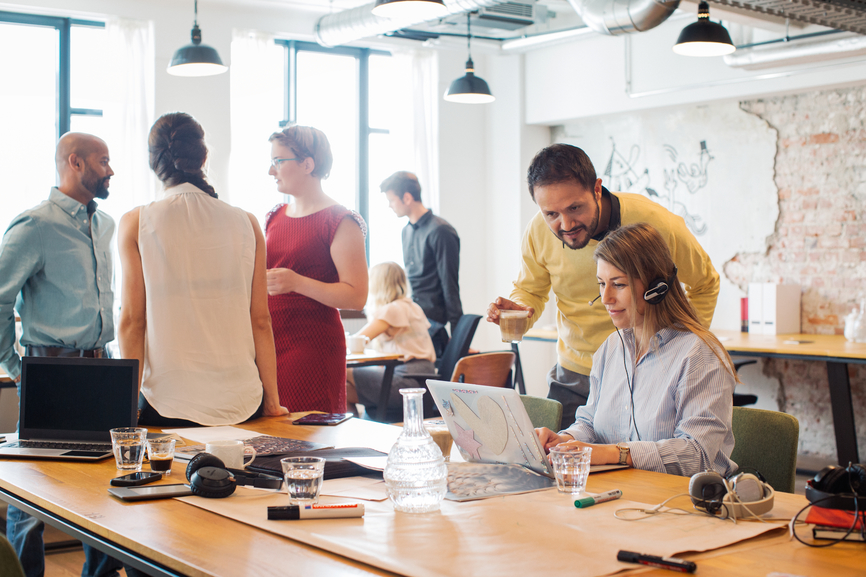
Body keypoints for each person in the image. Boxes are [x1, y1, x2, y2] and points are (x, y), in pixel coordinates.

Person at [487, 144, 719, 427]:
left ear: (597, 189)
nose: (566, 224)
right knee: (557, 461)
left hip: (646, 369)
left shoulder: (656, 223)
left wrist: (680, 349)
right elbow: (531, 290)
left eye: (575, 208)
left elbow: (705, 283)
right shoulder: (538, 230)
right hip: (576, 372)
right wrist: (519, 313)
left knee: (636, 462)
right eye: (551, 214)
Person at [0, 133, 120, 577]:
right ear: (75, 162)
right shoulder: (34, 225)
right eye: (104, 161)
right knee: (31, 495)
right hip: (49, 371)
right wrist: (17, 369)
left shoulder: (105, 223)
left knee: (106, 487)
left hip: (103, 368)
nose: (110, 170)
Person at [118, 112, 287, 427]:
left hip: (166, 403)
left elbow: (132, 322)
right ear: (204, 157)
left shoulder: (137, 223)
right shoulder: (247, 222)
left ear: (153, 162)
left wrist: (123, 406)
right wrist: (272, 402)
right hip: (243, 401)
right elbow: (261, 321)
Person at [535, 222, 737, 477]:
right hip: (622, 496)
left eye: (618, 285)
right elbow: (589, 423)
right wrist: (564, 440)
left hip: (684, 503)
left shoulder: (700, 355)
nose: (606, 298)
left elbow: (697, 454)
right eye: (601, 283)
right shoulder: (611, 348)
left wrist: (615, 453)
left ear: (656, 288)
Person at [265, 125, 368, 413]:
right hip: (269, 345)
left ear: (307, 164)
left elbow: (356, 296)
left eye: (278, 161)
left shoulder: (339, 220)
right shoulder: (274, 217)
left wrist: (296, 282)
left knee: (309, 440)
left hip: (312, 349)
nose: (272, 171)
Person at [380, 171, 462, 358]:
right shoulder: (406, 231)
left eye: (392, 200)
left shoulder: (441, 231)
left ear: (407, 198)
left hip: (433, 325)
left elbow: (450, 288)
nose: (390, 206)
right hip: (413, 319)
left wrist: (458, 343)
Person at [346, 262, 436, 421]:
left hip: (405, 383)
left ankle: (352, 435)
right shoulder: (413, 306)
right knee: (342, 389)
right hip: (422, 382)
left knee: (339, 375)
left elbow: (356, 341)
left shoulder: (392, 309)